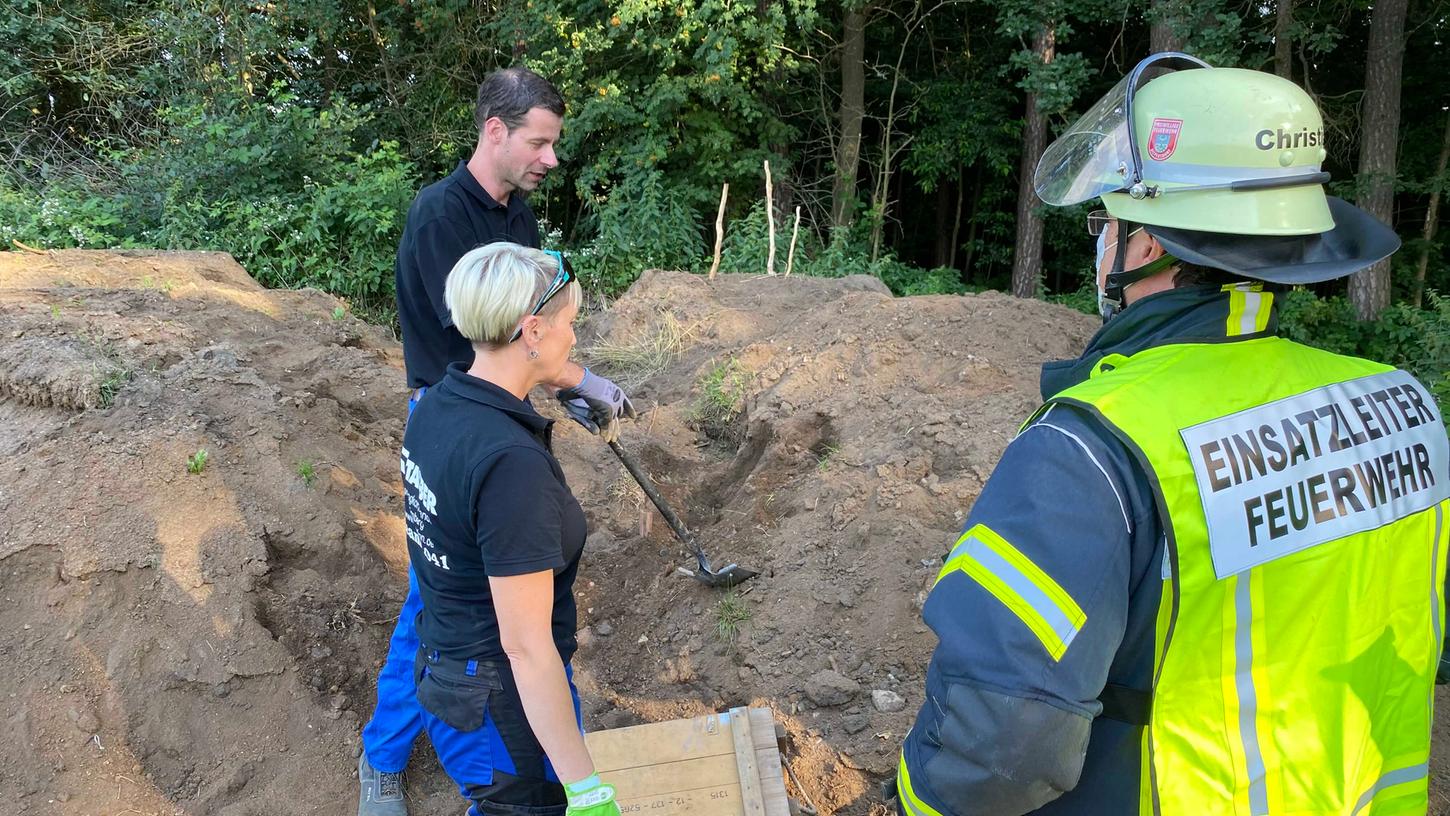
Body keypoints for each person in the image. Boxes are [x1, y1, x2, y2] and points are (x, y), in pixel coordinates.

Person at [895, 54, 1450, 815]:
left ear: (1147, 242)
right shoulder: (1402, 409)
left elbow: (1001, 753)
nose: (1099, 244)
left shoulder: (1089, 451)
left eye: (1105, 222)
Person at [360, 66, 635, 816]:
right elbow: (500, 339)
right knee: (443, 601)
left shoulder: (515, 214)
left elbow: (530, 319)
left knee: (463, 601)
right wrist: (573, 375)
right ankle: (381, 759)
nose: (551, 158)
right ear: (495, 131)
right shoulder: (441, 217)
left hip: (489, 405)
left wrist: (563, 381)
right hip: (450, 411)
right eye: (539, 143)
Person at [396, 241, 621, 816]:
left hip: (450, 671)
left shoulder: (439, 407)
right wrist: (587, 789)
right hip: (497, 700)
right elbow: (524, 646)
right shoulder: (508, 465)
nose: (575, 338)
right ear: (534, 330)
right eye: (570, 322)